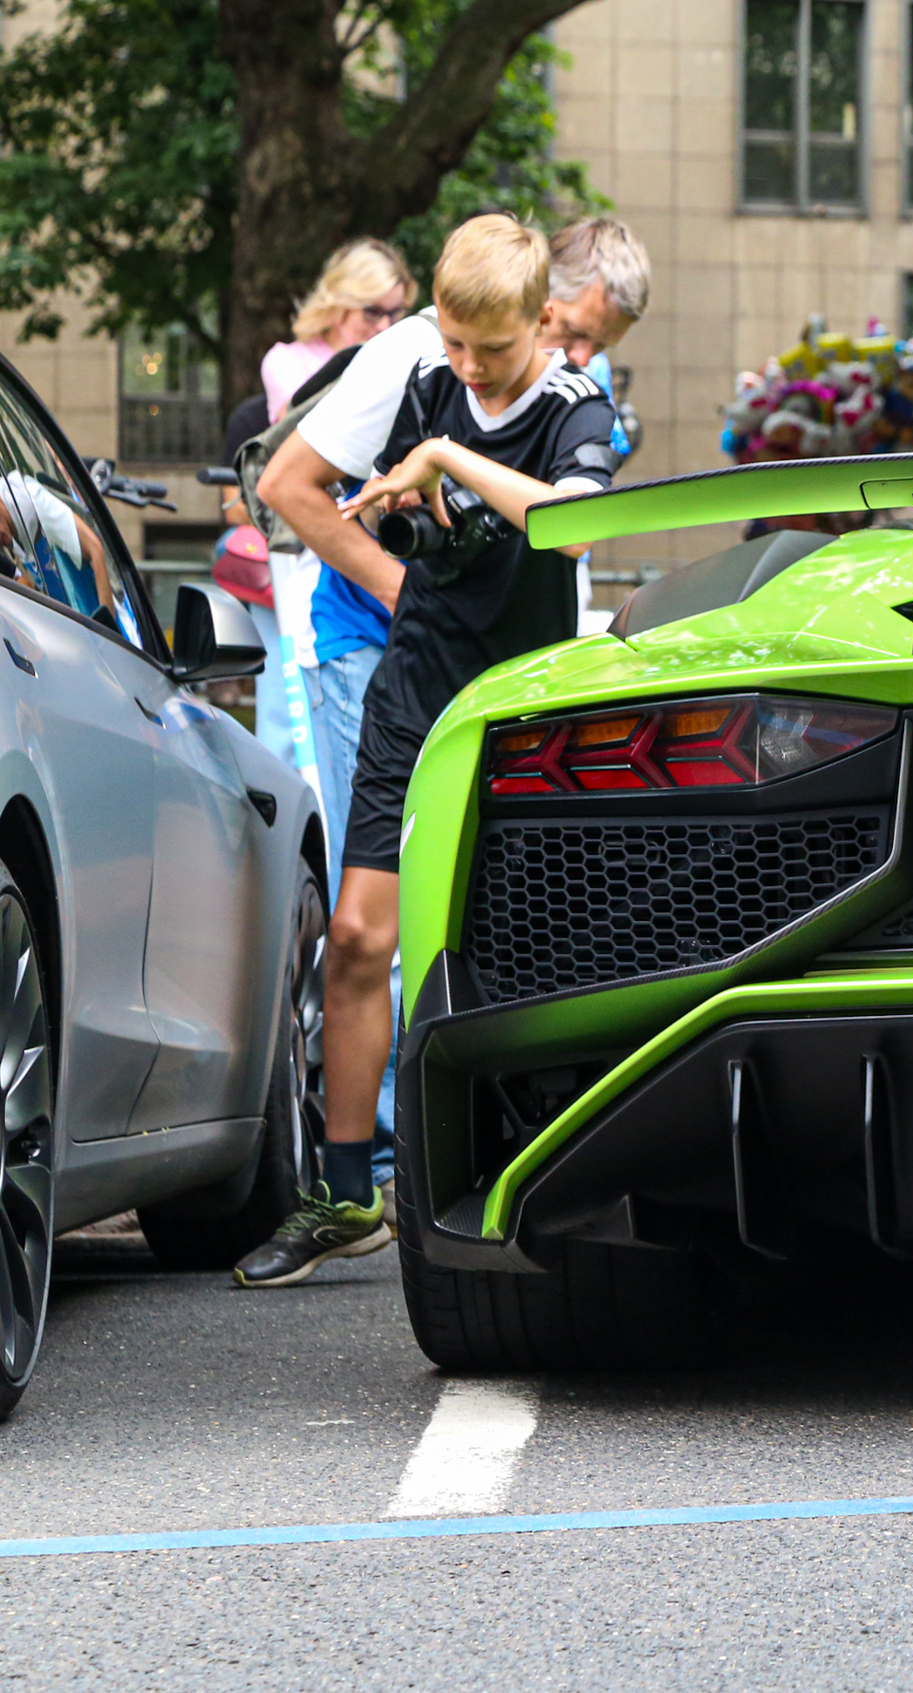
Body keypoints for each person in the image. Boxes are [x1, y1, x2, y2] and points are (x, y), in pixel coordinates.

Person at [233, 217, 622, 1288]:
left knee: (522, 938)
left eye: (486, 350)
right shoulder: (411, 360)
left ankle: (531, 1178)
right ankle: (350, 1192)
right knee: (361, 936)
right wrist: (414, 590)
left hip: (527, 701)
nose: (462, 366)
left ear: (541, 323)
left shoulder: (576, 405)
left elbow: (570, 528)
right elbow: (289, 483)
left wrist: (446, 455)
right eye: (450, 342)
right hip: (414, 688)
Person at [260, 239, 414, 427]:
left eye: (394, 313)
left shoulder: (403, 362)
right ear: (339, 303)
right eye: (372, 312)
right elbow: (291, 433)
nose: (385, 326)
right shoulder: (287, 361)